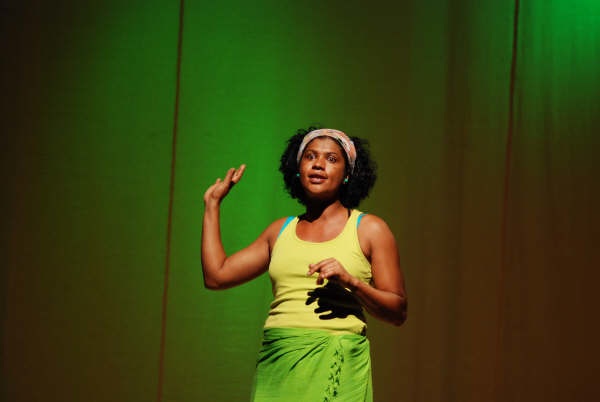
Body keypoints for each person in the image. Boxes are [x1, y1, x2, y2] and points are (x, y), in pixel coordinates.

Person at [201, 127, 407, 401]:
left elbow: (397, 311)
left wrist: (351, 282)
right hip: (280, 360)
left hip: (336, 361)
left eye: (331, 159)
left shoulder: (369, 229)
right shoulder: (279, 231)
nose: (318, 164)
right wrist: (212, 205)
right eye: (310, 156)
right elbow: (216, 276)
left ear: (348, 174)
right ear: (297, 169)